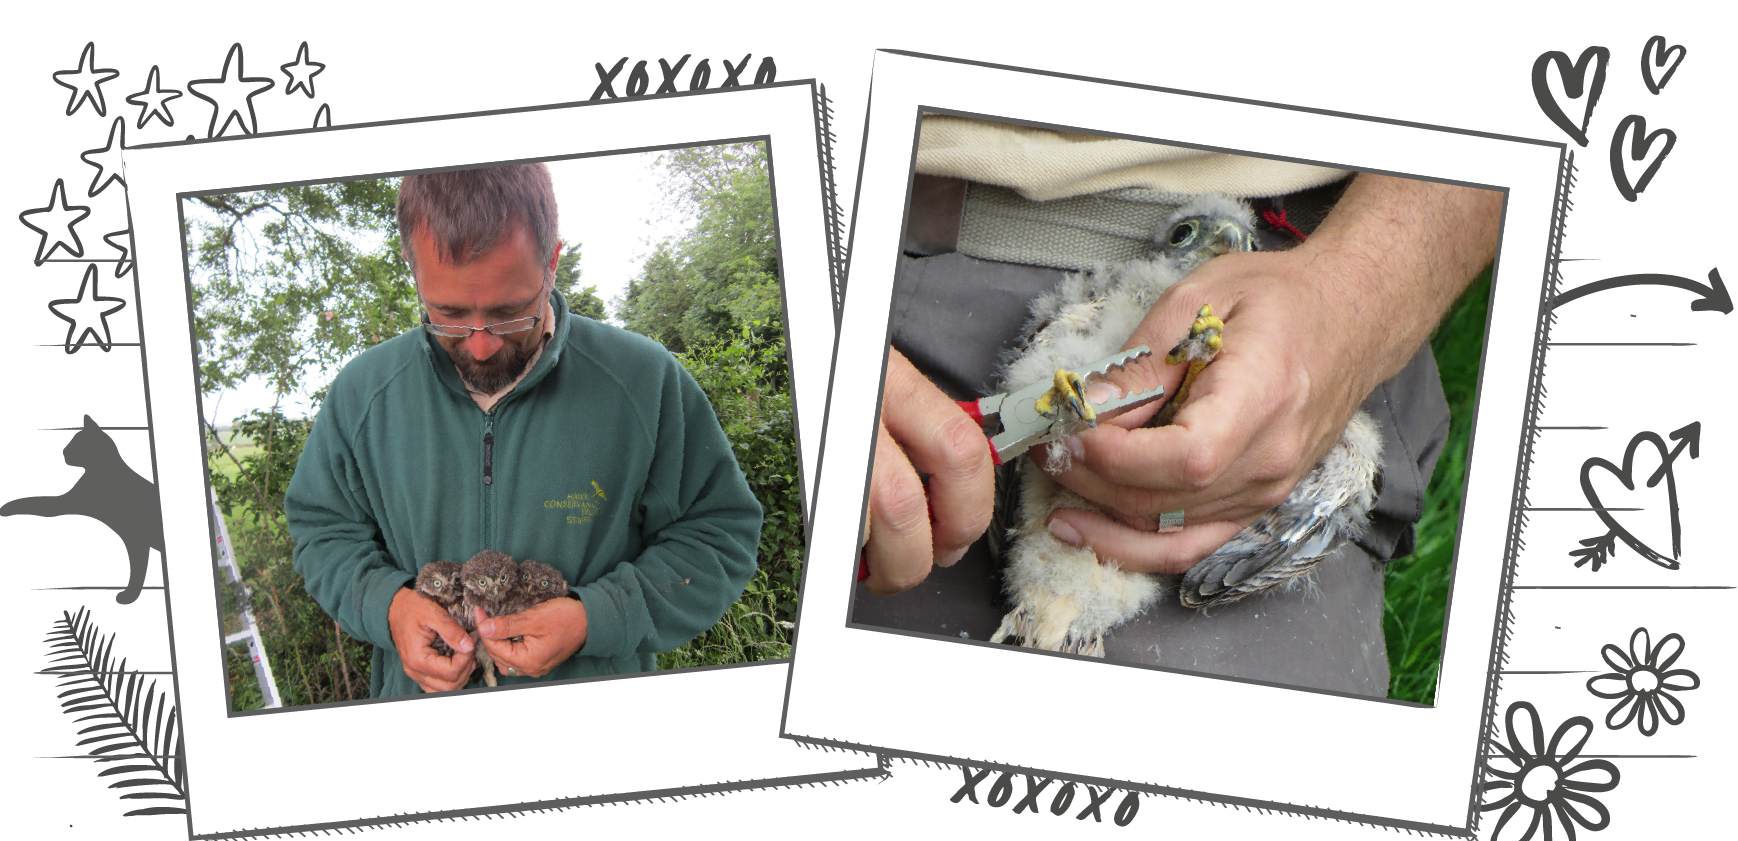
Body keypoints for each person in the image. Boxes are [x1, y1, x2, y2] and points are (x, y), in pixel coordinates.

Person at [856, 116, 1501, 695]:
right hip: (885, 275)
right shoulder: (1075, 325)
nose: (1217, 243)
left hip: (1313, 319)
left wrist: (1364, 291)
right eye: (1200, 237)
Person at [286, 163, 764, 697]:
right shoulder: (363, 393)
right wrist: (387, 605)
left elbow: (719, 535)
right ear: (411, 266)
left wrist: (597, 619)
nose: (481, 344)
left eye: (510, 313)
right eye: (447, 314)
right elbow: (322, 532)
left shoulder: (644, 381)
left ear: (553, 260)